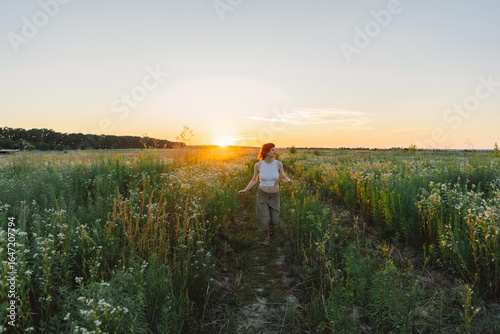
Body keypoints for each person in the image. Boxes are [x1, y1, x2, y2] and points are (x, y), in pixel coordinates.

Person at [238, 143, 293, 246]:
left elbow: (283, 177)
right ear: (266, 152)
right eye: (272, 150)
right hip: (262, 194)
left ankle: (272, 226)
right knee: (264, 218)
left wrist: (289, 181)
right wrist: (245, 190)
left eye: (274, 149)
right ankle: (267, 238)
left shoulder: (278, 164)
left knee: (275, 219)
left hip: (274, 195)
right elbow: (254, 180)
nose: (275, 152)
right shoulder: (258, 165)